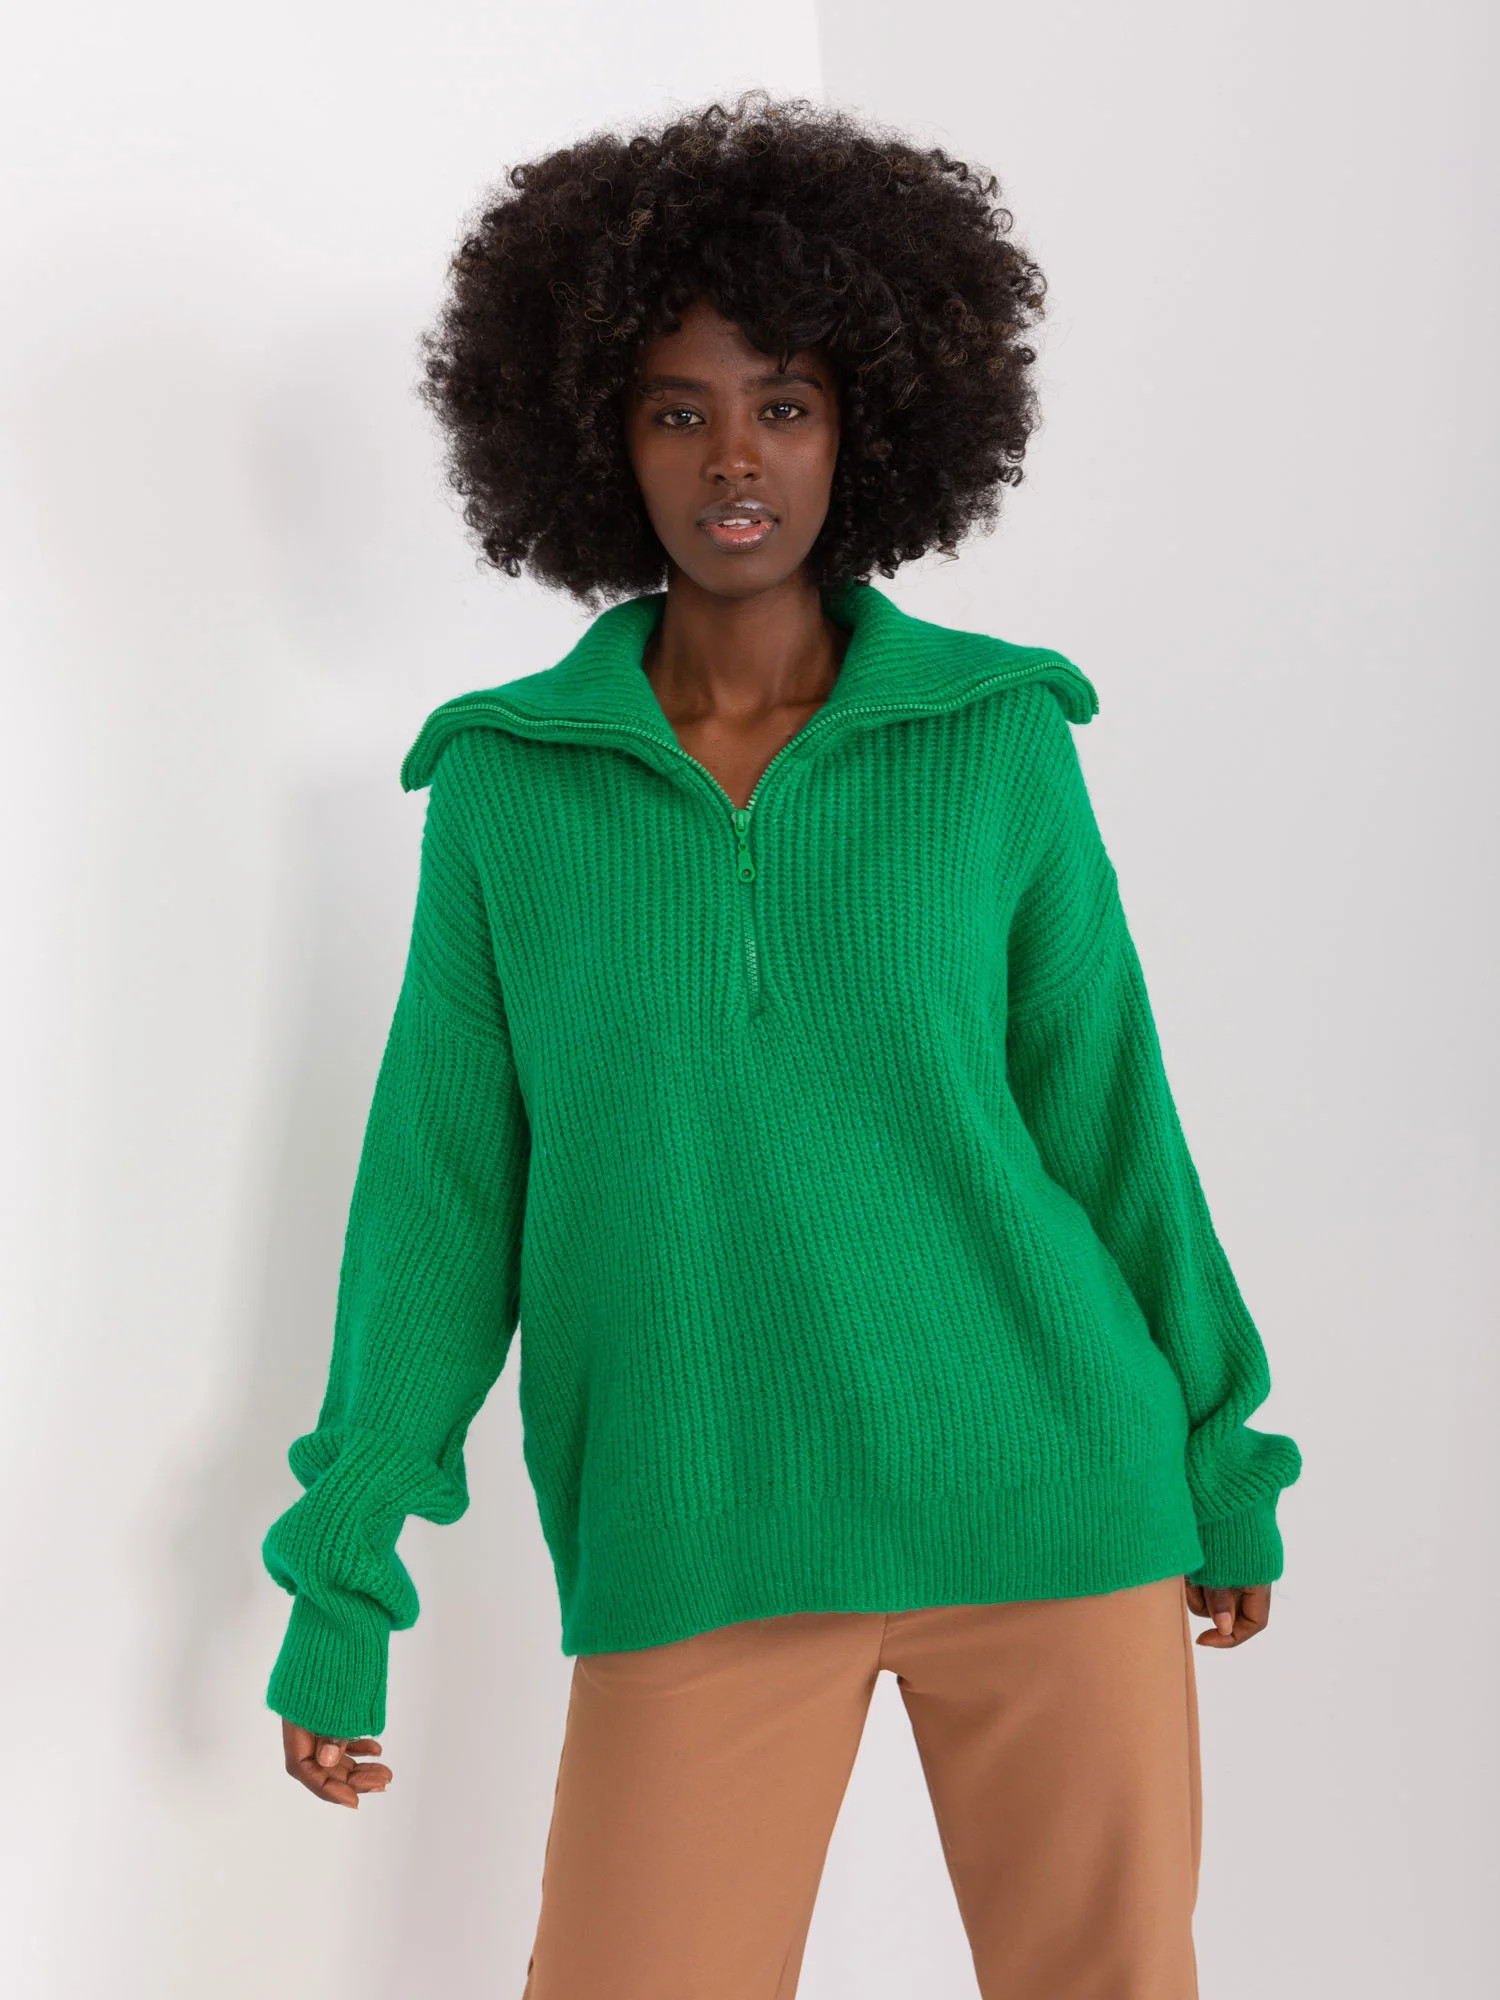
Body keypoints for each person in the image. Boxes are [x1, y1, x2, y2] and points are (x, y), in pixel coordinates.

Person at [262, 89, 1302, 1998]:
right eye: (679, 411)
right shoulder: (506, 786)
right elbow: (441, 1198)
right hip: (699, 1520)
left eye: (786, 404)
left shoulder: (995, 741)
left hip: (1048, 1496)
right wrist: (347, 1573)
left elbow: (1109, 1120)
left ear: (868, 428)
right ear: (595, 437)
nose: (734, 458)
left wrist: (1221, 1453)